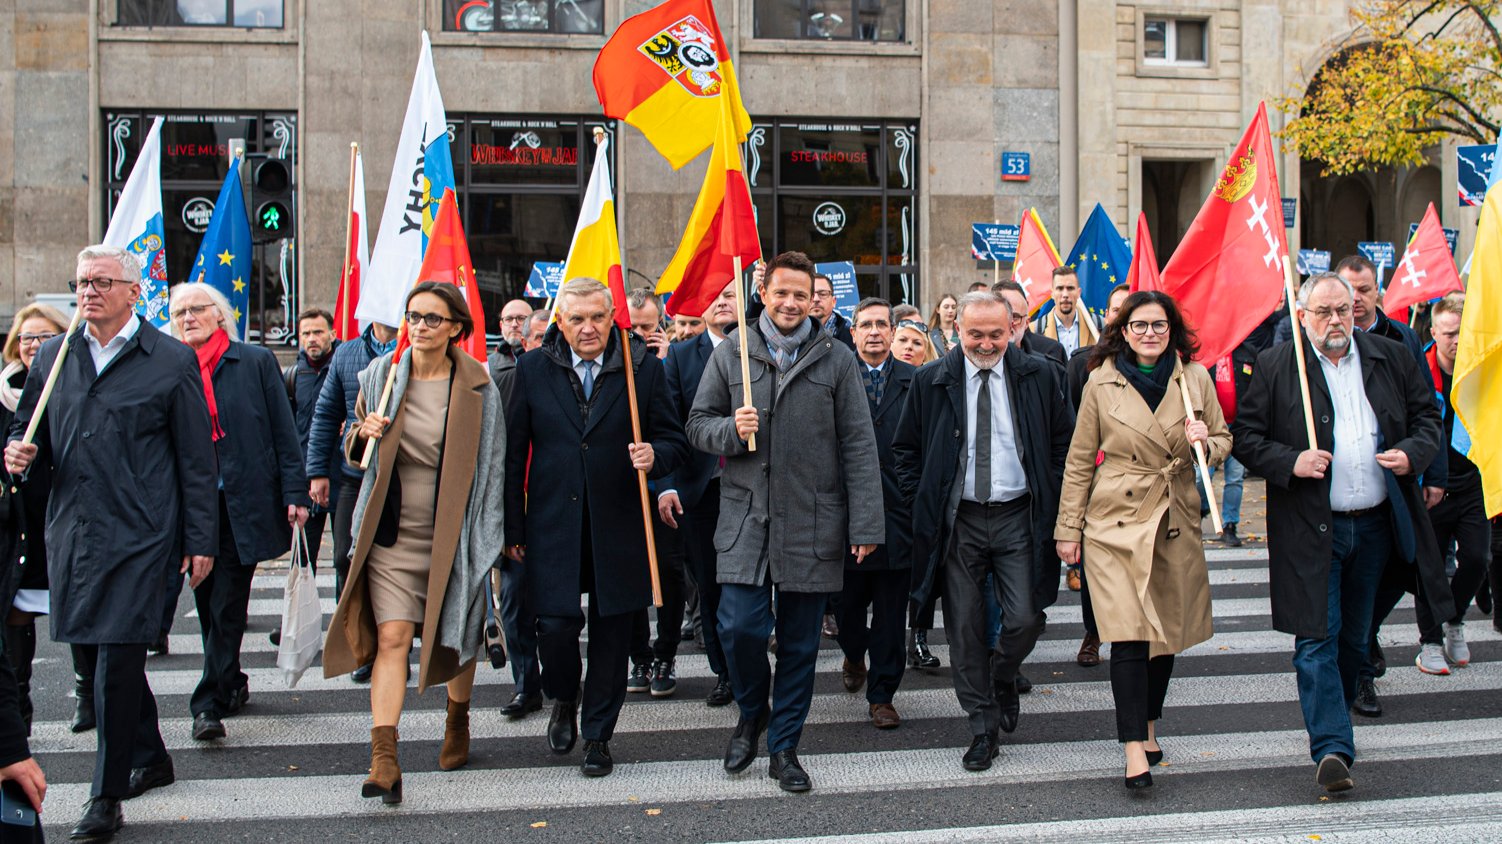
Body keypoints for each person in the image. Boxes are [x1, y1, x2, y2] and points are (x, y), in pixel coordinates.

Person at [5, 245, 218, 840]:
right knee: (99, 655)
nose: (89, 291)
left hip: (142, 533)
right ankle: (152, 755)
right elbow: (30, 429)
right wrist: (17, 449)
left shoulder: (170, 359)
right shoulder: (54, 354)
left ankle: (106, 795)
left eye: (102, 281)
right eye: (81, 282)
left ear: (132, 291)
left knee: (117, 659)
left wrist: (199, 537)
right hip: (74, 528)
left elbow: (196, 458)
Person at [1232, 271, 1446, 793]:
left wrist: (1412, 455)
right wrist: (1292, 461)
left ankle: (1339, 719)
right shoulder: (1280, 365)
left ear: (1356, 311)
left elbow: (1427, 419)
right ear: (1302, 317)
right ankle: (1331, 748)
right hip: (1311, 529)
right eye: (1323, 312)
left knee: (1354, 639)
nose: (1335, 321)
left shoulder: (1388, 356)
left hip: (1374, 524)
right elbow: (1247, 438)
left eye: (1343, 310)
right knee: (1315, 638)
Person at [687, 251, 882, 793]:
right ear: (763, 294)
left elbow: (859, 446)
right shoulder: (733, 351)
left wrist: (865, 525)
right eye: (782, 293)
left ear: (814, 299)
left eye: (802, 294)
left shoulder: (836, 358)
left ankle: (785, 748)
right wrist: (732, 427)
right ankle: (753, 710)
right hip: (747, 521)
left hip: (814, 522)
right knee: (738, 628)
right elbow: (697, 425)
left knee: (799, 645)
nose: (791, 303)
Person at [325, 282, 505, 803]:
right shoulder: (380, 376)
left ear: (456, 328)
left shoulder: (478, 387)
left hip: (453, 533)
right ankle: (384, 756)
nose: (420, 326)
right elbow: (354, 454)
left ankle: (457, 719)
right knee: (392, 638)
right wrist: (365, 431)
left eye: (432, 318)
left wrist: (489, 539)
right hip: (393, 536)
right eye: (413, 317)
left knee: (456, 635)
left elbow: (492, 468)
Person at [505, 278, 687, 778]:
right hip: (552, 523)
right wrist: (511, 528)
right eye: (577, 318)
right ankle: (564, 695)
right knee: (557, 627)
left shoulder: (642, 369)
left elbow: (673, 438)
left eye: (598, 317)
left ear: (613, 318)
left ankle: (598, 735)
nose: (588, 327)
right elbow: (513, 451)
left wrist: (657, 455)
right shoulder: (532, 369)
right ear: (560, 322)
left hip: (621, 521)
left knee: (612, 634)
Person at [891, 290, 1073, 773]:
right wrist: (923, 499)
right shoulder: (932, 379)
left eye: (997, 334)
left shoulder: (1042, 375)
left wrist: (1053, 500)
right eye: (976, 334)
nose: (987, 344)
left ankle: (1003, 675)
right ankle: (982, 727)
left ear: (1013, 328)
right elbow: (905, 451)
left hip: (1019, 515)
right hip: (959, 521)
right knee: (966, 628)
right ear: (957, 331)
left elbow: (1063, 444)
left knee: (1026, 616)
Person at [1055, 290, 1229, 789]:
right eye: (1139, 326)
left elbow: (1223, 439)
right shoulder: (1100, 381)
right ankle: (1133, 745)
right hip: (1115, 521)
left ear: (1172, 329)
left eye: (1158, 325)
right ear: (1123, 332)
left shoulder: (1193, 378)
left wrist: (1205, 443)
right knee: (1128, 634)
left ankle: (1150, 723)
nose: (1149, 333)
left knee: (1164, 634)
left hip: (1173, 515)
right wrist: (1069, 530)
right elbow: (1080, 458)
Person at [167, 282, 309, 743]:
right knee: (208, 604)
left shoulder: (255, 362)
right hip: (192, 507)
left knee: (228, 602)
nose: (187, 318)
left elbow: (283, 432)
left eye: (196, 309)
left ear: (219, 315)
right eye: (179, 312)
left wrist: (296, 492)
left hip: (242, 501)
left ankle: (207, 703)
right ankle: (231, 681)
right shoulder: (170, 368)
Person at [1353, 293, 1488, 717]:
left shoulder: (1472, 367)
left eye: (1463, 333)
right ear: (1435, 333)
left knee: (1470, 561)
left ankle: (1452, 620)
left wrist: (1439, 474)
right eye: (1449, 333)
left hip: (1458, 482)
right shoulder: (1414, 363)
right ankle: (1417, 645)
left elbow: (1444, 415)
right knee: (1422, 568)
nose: (1456, 341)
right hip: (1407, 484)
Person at [659, 281, 740, 707]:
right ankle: (725, 672)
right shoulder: (680, 356)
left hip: (755, 488)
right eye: (716, 295)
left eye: (731, 293)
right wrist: (668, 483)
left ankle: (751, 663)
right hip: (702, 489)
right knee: (710, 587)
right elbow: (669, 423)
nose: (724, 301)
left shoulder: (760, 347)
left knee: (751, 585)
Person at [306, 318, 400, 683]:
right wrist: (317, 471)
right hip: (353, 476)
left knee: (390, 564)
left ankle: (394, 644)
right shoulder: (346, 353)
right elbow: (326, 414)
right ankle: (362, 645)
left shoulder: (414, 350)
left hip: (397, 480)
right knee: (346, 556)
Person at [837, 297, 915, 729]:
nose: (873, 332)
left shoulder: (914, 380)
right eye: (865, 324)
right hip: (848, 516)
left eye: (881, 324)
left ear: (892, 330)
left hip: (898, 517)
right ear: (853, 332)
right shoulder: (837, 377)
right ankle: (853, 653)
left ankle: (883, 694)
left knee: (890, 612)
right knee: (847, 608)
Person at [0, 303, 68, 735]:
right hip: (12, 523)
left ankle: (88, 696)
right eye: (27, 338)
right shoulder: (3, 392)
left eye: (44, 337)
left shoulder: (71, 385)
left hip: (58, 516)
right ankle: (17, 707)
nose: (34, 346)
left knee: (76, 615)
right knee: (14, 619)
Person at [1063, 282, 1131, 667]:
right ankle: (1094, 629)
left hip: (1139, 487)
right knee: (1095, 565)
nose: (1121, 317)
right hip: (1096, 484)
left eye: (1129, 309)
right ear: (1106, 316)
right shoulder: (1082, 364)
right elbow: (1072, 430)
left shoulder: (1161, 367)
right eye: (1115, 309)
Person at [624, 288, 688, 697]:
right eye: (634, 328)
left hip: (664, 484)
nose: (641, 335)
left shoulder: (670, 361)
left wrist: (666, 486)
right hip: (622, 490)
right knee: (626, 577)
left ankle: (665, 653)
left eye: (648, 327)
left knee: (668, 573)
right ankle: (639, 658)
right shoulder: (615, 363)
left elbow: (674, 433)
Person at [283, 308, 340, 564]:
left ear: (332, 333)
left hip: (343, 479)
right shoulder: (293, 377)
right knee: (303, 560)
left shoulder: (345, 371)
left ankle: (344, 606)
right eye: (306, 333)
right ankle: (304, 607)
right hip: (307, 481)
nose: (312, 338)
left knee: (344, 560)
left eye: (318, 332)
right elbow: (287, 430)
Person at [992, 280, 1067, 367]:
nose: (1008, 323)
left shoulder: (1051, 354)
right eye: (1001, 316)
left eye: (1014, 317)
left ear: (1027, 322)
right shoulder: (975, 356)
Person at [1034, 267, 1099, 355]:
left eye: (1070, 288)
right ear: (1052, 293)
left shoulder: (1098, 325)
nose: (1065, 295)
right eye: (1060, 288)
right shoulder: (1035, 329)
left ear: (1079, 293)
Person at [488, 298, 533, 403]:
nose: (514, 324)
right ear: (501, 325)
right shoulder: (487, 366)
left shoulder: (547, 360)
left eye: (521, 318)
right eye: (508, 319)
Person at [810, 273, 855, 350]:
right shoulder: (793, 334)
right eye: (811, 294)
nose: (816, 299)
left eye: (823, 294)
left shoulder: (851, 336)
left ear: (833, 301)